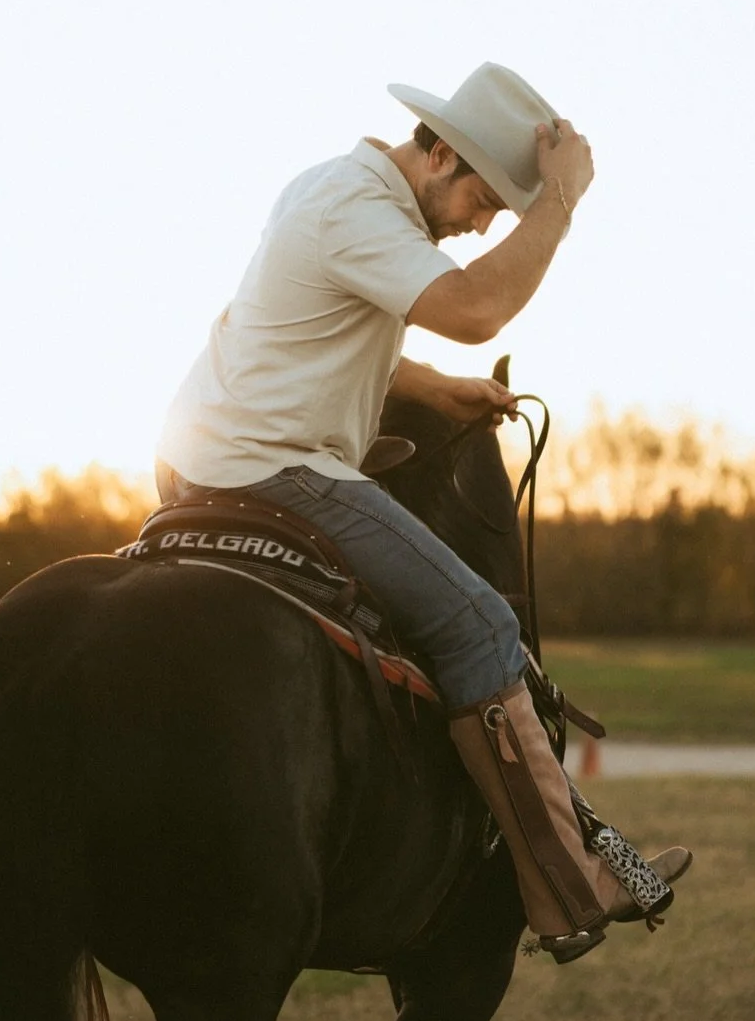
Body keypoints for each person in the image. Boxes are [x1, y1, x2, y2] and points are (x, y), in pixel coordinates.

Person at [155, 61, 690, 962]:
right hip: (274, 468)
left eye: (502, 214)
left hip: (197, 459)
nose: (484, 225)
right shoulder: (360, 210)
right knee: (481, 620)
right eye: (485, 199)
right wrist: (559, 202)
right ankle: (565, 889)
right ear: (437, 150)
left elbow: (309, 333)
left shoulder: (334, 190)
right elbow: (479, 309)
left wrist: (433, 389)